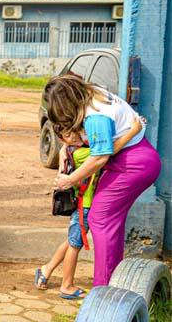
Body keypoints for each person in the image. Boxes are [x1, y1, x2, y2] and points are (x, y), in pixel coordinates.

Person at [47, 75, 161, 286]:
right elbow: (104, 151)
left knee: (101, 218)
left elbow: (100, 156)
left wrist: (69, 180)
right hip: (136, 159)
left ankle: (104, 290)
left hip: (131, 165)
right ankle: (113, 283)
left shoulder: (95, 116)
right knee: (110, 223)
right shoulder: (94, 92)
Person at [35, 117, 143, 299]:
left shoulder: (72, 149)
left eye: (76, 131)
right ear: (61, 139)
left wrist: (64, 147)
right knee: (75, 245)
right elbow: (110, 151)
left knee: (71, 240)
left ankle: (46, 269)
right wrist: (133, 130)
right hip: (83, 206)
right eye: (68, 136)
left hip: (84, 204)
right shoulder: (81, 153)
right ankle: (66, 285)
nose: (75, 137)